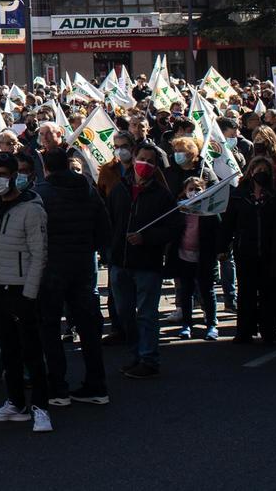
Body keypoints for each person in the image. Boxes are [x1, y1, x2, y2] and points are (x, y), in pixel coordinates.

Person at [0, 149, 52, 432]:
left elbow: (38, 254)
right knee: (8, 351)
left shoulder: (32, 208)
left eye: (3, 175)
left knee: (32, 351)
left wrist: (29, 294)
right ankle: (15, 402)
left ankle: (41, 407)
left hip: (21, 290)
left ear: (15, 177)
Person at [31, 145, 109, 404]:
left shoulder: (40, 194)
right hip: (83, 265)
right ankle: (97, 385)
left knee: (49, 326)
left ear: (46, 168)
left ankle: (58, 387)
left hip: (51, 268)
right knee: (88, 326)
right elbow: (104, 228)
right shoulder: (88, 190)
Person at [107, 142, 174, 379]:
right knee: (125, 312)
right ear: (134, 160)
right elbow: (110, 222)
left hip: (147, 264)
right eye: (142, 158)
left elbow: (171, 229)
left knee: (146, 314)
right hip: (120, 262)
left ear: (155, 166)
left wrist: (146, 238)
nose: (145, 164)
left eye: (150, 161)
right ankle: (136, 355)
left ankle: (148, 359)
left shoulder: (162, 195)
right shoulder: (118, 189)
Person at [224, 153, 276, 344]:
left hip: (270, 252)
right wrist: (222, 246)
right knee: (246, 294)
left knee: (271, 294)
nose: (262, 174)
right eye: (258, 171)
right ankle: (244, 330)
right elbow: (228, 223)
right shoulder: (239, 196)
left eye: (265, 171)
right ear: (250, 173)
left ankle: (270, 332)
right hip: (246, 251)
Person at [169, 174, 223, 339]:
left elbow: (219, 231)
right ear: (185, 192)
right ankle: (186, 324)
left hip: (204, 257)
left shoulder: (210, 210)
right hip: (184, 256)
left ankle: (211, 324)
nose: (194, 192)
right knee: (186, 292)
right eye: (190, 189)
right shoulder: (180, 210)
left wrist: (220, 250)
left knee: (207, 291)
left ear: (205, 190)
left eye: (198, 189)